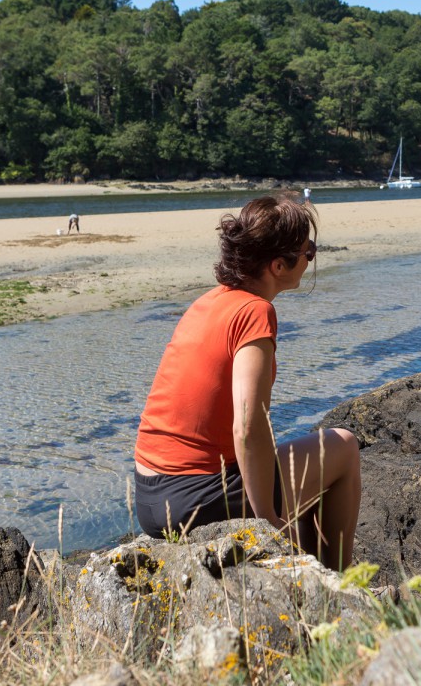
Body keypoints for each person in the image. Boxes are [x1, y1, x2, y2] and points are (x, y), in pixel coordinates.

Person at [132, 193, 361, 570]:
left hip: (149, 495)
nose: (310, 259)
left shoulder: (210, 300)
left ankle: (313, 572)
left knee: (301, 473)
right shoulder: (257, 312)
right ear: (278, 265)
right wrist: (265, 519)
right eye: (309, 252)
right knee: (344, 446)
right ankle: (339, 586)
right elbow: (248, 424)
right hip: (192, 497)